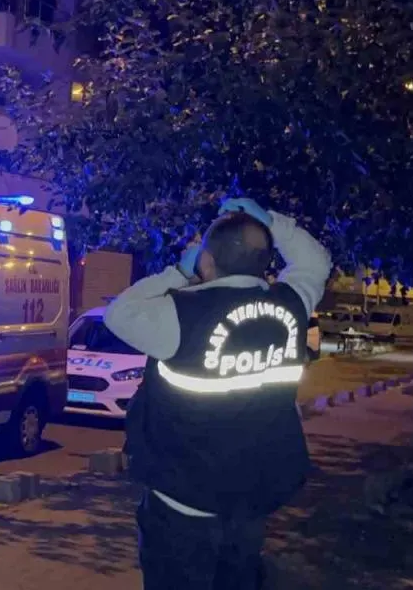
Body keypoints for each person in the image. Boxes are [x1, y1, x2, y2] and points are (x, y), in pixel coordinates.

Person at [103, 198, 332, 590]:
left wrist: (179, 271)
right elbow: (316, 262)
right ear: (265, 263)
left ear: (205, 262)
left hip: (181, 505)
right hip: (251, 501)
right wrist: (270, 220)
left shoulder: (180, 314)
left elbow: (118, 313)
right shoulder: (291, 305)